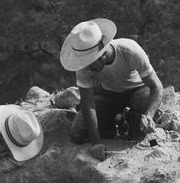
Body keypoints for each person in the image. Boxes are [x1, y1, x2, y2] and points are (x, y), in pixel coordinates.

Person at [60, 18, 164, 161]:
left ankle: (129, 118)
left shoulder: (129, 50)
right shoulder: (83, 66)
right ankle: (114, 121)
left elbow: (156, 87)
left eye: (91, 61)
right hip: (108, 94)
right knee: (77, 133)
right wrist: (96, 142)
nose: (88, 68)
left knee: (139, 130)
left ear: (103, 49)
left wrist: (149, 115)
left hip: (137, 90)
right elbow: (88, 104)